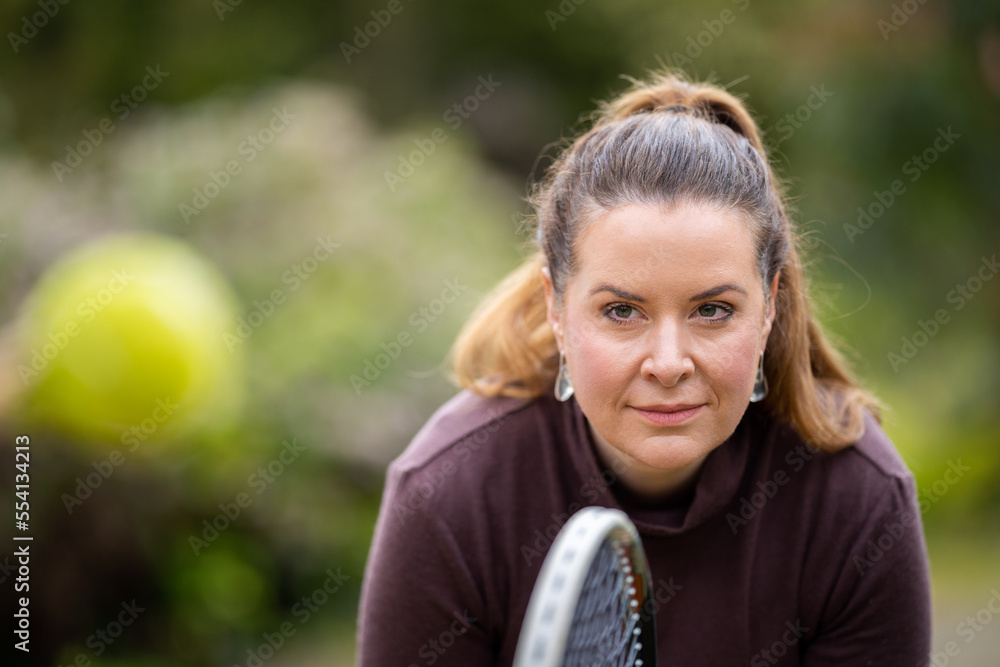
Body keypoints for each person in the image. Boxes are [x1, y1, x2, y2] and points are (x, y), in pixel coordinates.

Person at [355, 70, 932, 665]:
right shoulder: (447, 496)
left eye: (713, 310)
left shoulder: (856, 497)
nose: (668, 363)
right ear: (557, 307)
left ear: (768, 308)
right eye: (622, 311)